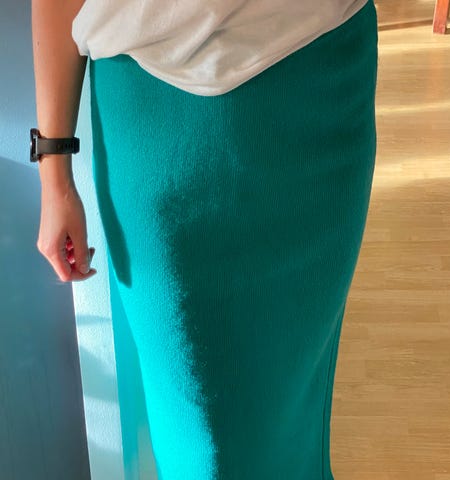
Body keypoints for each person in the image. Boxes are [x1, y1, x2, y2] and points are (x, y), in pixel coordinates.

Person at [32, 0, 378, 477]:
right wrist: (54, 175)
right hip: (156, 119)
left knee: (295, 419)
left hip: (318, 77)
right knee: (197, 444)